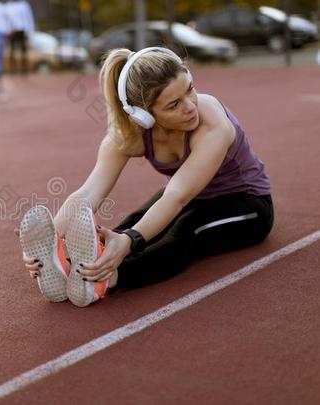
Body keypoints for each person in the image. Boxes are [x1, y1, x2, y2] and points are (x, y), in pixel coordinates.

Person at [16, 47, 274, 307]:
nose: (190, 106)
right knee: (127, 225)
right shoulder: (130, 134)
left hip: (247, 203)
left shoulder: (213, 125)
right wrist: (53, 238)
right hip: (187, 194)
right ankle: (70, 266)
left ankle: (111, 278)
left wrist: (130, 240)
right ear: (144, 115)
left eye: (190, 89)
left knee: (185, 230)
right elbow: (88, 192)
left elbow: (177, 195)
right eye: (174, 104)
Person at [5, 0, 35, 75]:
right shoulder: (7, 5)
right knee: (12, 51)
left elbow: (29, 18)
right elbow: (6, 19)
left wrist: (30, 31)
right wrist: (7, 29)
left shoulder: (24, 5)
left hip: (22, 30)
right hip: (11, 30)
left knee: (23, 51)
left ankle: (24, 69)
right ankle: (12, 69)